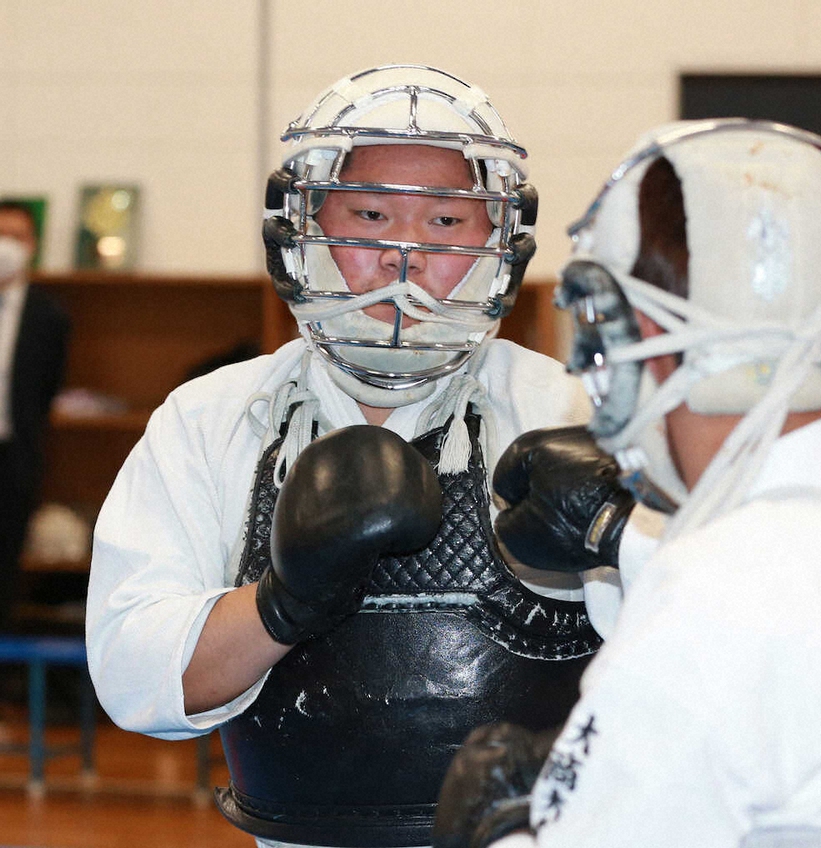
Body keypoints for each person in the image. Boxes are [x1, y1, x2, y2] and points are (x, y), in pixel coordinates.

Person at [85, 65, 613, 848]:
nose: (403, 258)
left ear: (499, 239)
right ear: (306, 227)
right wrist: (280, 605)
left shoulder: (572, 413)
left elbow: (702, 660)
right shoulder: (215, 419)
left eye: (445, 222)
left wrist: (620, 538)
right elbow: (134, 680)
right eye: (368, 215)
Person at [434, 121, 821, 847]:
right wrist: (621, 540)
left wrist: (497, 832)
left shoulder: (715, 586)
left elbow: (738, 620)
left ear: (640, 335)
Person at [0, 200, 70, 632]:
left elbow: (46, 390)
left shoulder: (50, 317)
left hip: (13, 456)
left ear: (33, 246)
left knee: (6, 560)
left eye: (16, 237)